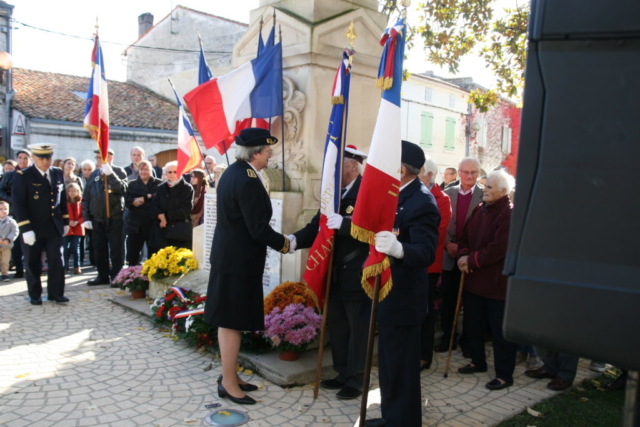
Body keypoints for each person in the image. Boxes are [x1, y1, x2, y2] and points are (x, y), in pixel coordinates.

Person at [203, 128, 291, 405]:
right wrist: (287, 243)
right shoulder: (248, 180)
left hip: (231, 258)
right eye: (267, 152)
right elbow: (258, 229)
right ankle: (228, 383)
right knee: (231, 322)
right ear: (255, 153)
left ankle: (230, 374)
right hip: (238, 262)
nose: (269, 157)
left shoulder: (233, 172)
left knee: (233, 320)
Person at [365, 140, 440, 427]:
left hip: (405, 295)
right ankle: (391, 417)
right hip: (389, 292)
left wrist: (399, 249)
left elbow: (426, 251)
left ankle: (403, 421)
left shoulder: (421, 200)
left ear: (401, 169)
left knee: (402, 365)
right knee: (389, 363)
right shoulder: (396, 193)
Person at [291, 145, 370, 400]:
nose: (334, 168)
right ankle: (343, 371)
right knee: (338, 326)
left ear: (353, 164)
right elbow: (317, 226)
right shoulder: (333, 194)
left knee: (358, 329)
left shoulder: (366, 192)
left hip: (357, 271)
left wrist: (346, 225)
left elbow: (373, 229)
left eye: (339, 163)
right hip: (333, 270)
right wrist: (292, 240)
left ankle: (357, 379)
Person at [456, 169, 517, 390]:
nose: (485, 191)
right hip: (474, 281)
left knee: (500, 333)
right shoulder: (480, 209)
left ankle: (504, 374)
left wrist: (471, 260)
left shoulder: (509, 213)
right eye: (485, 186)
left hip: (495, 284)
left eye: (490, 187)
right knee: (474, 325)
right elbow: (464, 236)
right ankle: (478, 362)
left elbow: (499, 248)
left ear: (503, 190)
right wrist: (463, 255)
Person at [436, 157, 484, 355]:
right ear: (459, 172)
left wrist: (466, 250)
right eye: (465, 172)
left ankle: (469, 342)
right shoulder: (448, 193)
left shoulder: (485, 196)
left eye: (473, 172)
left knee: (472, 304)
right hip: (449, 255)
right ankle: (448, 338)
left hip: (471, 257)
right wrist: (448, 243)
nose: (469, 176)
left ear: (478, 174)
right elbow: (441, 223)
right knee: (448, 301)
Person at [12, 144, 69, 305]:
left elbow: (62, 198)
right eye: (42, 158)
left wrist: (65, 221)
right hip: (33, 227)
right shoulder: (23, 175)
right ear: (34, 158)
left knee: (57, 260)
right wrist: (25, 228)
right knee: (32, 261)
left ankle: (56, 293)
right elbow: (18, 204)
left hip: (53, 226)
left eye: (48, 158)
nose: (46, 161)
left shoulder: (57, 172)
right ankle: (35, 294)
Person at [418, 156, 452, 371]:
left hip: (427, 265)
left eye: (418, 171)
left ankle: (424, 355)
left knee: (426, 312)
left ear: (429, 175)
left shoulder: (442, 199)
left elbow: (437, 233)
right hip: (409, 261)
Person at [83, 148, 128, 286]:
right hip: (97, 219)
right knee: (99, 249)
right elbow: (86, 197)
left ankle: (117, 276)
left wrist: (111, 175)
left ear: (111, 158)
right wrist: (86, 217)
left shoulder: (119, 171)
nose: (99, 160)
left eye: (102, 157)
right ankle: (102, 275)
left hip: (114, 218)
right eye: (97, 157)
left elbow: (122, 189)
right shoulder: (94, 174)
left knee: (116, 249)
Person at [0, 149, 32, 279]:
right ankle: (19, 269)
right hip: (14, 213)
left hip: (31, 214)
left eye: (26, 158)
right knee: (17, 244)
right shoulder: (9, 175)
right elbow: (1, 191)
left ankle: (30, 269)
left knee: (30, 243)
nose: (23, 160)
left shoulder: (33, 174)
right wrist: (11, 199)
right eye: (20, 157)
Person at [149, 161, 194, 253]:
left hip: (178, 232)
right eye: (169, 172)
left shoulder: (187, 188)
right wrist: (160, 216)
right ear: (166, 173)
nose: (172, 174)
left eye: (175, 171)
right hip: (161, 231)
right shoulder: (160, 187)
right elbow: (154, 205)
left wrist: (165, 217)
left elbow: (185, 210)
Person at [125, 160, 161, 265]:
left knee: (154, 254)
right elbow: (126, 201)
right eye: (141, 169)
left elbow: (160, 200)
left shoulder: (159, 184)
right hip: (135, 225)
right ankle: (132, 278)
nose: (143, 172)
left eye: (146, 169)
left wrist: (145, 198)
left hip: (153, 224)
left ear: (151, 170)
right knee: (132, 255)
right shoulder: (131, 184)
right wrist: (133, 201)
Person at [63, 183, 84, 275]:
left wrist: (78, 221)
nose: (72, 193)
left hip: (78, 227)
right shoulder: (63, 201)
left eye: (74, 191)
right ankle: (64, 267)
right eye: (70, 191)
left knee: (76, 248)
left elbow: (85, 214)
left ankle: (77, 266)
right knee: (64, 248)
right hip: (66, 227)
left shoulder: (82, 201)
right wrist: (68, 221)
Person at [0, 201, 19, 282]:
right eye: (1, 209)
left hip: (6, 245)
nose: (4, 211)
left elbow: (15, 231)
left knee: (5, 260)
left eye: (6, 209)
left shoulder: (11, 221)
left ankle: (5, 274)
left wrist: (8, 239)